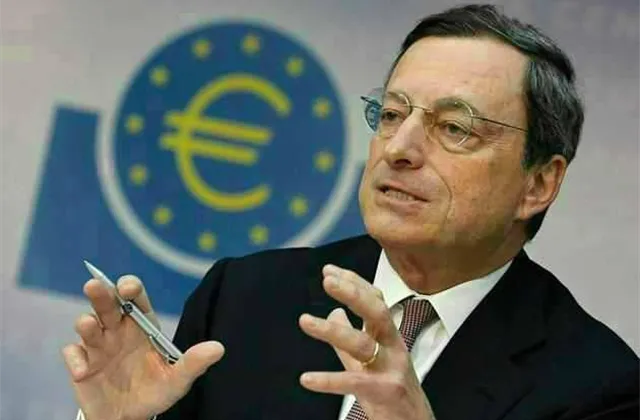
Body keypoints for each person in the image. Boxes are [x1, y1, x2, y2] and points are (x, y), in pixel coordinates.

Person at [61, 4, 640, 420]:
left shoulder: (597, 388)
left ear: (538, 183)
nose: (399, 149)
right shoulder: (244, 299)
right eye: (391, 115)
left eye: (454, 128)